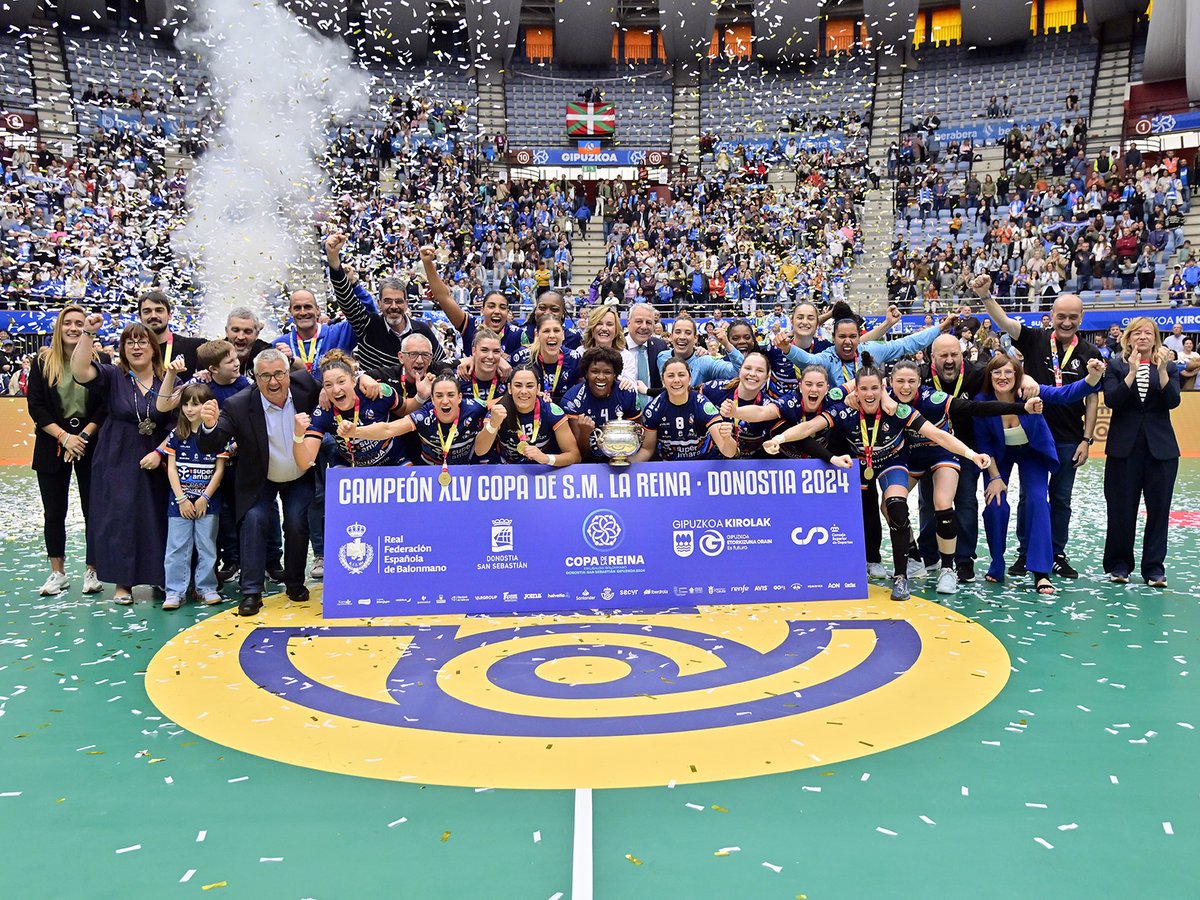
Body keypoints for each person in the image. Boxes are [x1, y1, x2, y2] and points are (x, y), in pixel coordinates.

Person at [764, 353, 991, 602]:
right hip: (861, 463)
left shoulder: (898, 410)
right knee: (862, 511)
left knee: (896, 507)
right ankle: (857, 563)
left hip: (892, 462)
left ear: (883, 388)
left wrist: (971, 454)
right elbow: (807, 428)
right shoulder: (843, 410)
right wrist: (779, 438)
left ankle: (901, 577)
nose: (869, 394)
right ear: (856, 391)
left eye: (874, 388)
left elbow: (938, 435)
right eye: (863, 389)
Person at [974, 275, 1100, 578]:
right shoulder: (1033, 339)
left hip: (1063, 436)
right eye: (1061, 316)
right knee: (1023, 500)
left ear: (1081, 317)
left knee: (1056, 499)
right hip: (1024, 432)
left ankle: (1053, 555)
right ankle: (1023, 554)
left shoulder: (1089, 354)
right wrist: (985, 295)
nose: (1066, 321)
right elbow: (1003, 321)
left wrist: (1087, 438)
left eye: (1073, 316)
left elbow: (1081, 396)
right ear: (1051, 316)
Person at [888, 358, 1039, 594]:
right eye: (900, 382)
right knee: (889, 506)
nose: (905, 387)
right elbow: (858, 383)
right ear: (891, 382)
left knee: (942, 502)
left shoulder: (931, 398)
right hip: (912, 458)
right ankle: (915, 556)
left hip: (942, 453)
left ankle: (948, 570)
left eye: (911, 381)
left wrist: (1021, 407)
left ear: (920, 381)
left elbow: (974, 408)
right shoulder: (884, 398)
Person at [197, 349, 321, 616]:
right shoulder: (238, 404)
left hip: (299, 473)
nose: (273, 382)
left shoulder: (308, 387)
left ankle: (295, 583)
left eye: (279, 374)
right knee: (254, 520)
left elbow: (336, 392)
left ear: (289, 373)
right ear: (253, 376)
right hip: (259, 477)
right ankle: (251, 591)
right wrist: (208, 425)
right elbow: (212, 442)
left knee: (297, 523)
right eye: (265, 376)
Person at [975, 354, 1106, 594]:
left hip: (1032, 452)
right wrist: (994, 478)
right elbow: (984, 444)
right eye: (996, 372)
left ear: (1017, 376)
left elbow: (1065, 394)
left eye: (1008, 372)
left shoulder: (1030, 392)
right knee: (995, 504)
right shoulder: (982, 402)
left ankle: (1041, 571)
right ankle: (997, 563)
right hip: (998, 457)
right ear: (989, 376)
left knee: (1037, 501)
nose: (1002, 377)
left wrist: (1092, 377)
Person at [70, 316, 174, 605]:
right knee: (121, 517)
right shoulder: (112, 376)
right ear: (122, 348)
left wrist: (160, 452)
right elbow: (78, 371)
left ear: (154, 348)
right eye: (130, 342)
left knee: (157, 517)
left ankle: (160, 577)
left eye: (143, 341)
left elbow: (177, 424)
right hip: (117, 456)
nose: (137, 346)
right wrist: (89, 332)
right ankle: (122, 582)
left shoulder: (167, 378)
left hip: (158, 456)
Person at [25, 305, 108, 597]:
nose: (73, 328)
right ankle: (57, 573)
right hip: (52, 445)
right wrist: (64, 438)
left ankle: (93, 570)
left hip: (90, 444)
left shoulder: (102, 361)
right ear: (59, 328)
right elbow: (36, 406)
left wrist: (82, 437)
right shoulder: (42, 362)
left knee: (93, 510)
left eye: (79, 323)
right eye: (68, 323)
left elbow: (104, 405)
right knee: (54, 511)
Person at [1101, 318, 1181, 587]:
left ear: (1156, 338)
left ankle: (1154, 568)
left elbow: (1173, 401)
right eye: (1137, 332)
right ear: (1128, 337)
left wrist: (1161, 371)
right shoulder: (1115, 366)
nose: (1143, 337)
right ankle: (1119, 564)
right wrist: (1132, 372)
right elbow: (1112, 400)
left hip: (1161, 450)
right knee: (1121, 509)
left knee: (1159, 511)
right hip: (1124, 450)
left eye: (1149, 333)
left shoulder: (1168, 366)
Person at [323, 234, 445, 372]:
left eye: (398, 301)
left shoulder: (422, 330)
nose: (393, 307)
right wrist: (334, 260)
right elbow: (346, 300)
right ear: (379, 303)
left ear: (406, 303)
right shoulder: (367, 325)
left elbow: (442, 365)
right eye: (387, 301)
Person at [776, 301, 954, 388]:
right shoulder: (828, 356)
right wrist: (787, 348)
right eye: (842, 336)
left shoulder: (870, 350)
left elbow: (907, 344)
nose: (847, 341)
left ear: (858, 338)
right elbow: (807, 360)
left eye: (852, 336)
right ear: (834, 339)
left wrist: (940, 327)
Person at [341, 373, 494, 471]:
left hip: (465, 470)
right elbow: (388, 429)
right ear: (432, 399)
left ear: (460, 397)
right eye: (439, 396)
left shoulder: (474, 407)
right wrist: (356, 432)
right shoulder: (423, 415)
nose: (445, 401)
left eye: (451, 395)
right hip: (428, 473)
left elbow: (496, 404)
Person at [163, 384, 228, 609]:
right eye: (186, 404)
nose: (190, 409)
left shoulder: (218, 435)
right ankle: (174, 591)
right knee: (176, 547)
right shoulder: (176, 435)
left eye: (196, 404)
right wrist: (181, 499)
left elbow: (219, 470)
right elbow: (171, 468)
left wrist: (204, 498)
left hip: (207, 503)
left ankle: (206, 587)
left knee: (207, 546)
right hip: (179, 503)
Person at [294, 350, 404, 469]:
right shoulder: (323, 410)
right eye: (328, 385)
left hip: (393, 459)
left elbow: (406, 410)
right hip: (350, 465)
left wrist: (420, 397)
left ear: (353, 380)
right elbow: (305, 464)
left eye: (341, 382)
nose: (336, 390)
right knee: (336, 480)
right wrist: (298, 435)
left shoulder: (376, 393)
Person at [634, 357, 738, 462]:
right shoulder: (653, 409)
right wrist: (623, 468)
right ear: (663, 380)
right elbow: (647, 450)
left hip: (703, 463)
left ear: (690, 379)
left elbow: (729, 452)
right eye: (670, 376)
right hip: (670, 468)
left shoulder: (703, 405)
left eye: (681, 375)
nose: (676, 380)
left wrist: (727, 438)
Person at [475, 366, 581, 466]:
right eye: (518, 385)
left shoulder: (551, 412)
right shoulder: (498, 411)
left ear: (538, 389)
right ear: (509, 388)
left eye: (530, 386)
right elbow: (479, 451)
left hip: (542, 470)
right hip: (506, 469)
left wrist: (546, 458)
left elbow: (575, 456)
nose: (524, 391)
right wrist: (493, 424)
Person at [562, 347, 640, 462]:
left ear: (615, 375)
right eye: (595, 371)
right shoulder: (572, 400)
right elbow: (580, 454)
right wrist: (585, 433)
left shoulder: (627, 393)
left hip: (622, 459)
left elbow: (638, 437)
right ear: (586, 374)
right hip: (586, 465)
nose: (601, 377)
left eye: (607, 372)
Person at [511, 315, 581, 405]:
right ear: (537, 335)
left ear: (563, 335)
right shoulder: (521, 357)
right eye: (546, 331)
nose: (552, 335)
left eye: (556, 331)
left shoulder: (574, 359)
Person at [656, 317, 745, 385]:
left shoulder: (704, 361)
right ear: (671, 336)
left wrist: (726, 344)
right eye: (678, 332)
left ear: (695, 338)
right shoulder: (662, 357)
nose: (682, 337)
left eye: (688, 333)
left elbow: (739, 371)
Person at [137, 289, 204, 380]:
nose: (153, 315)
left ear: (169, 315)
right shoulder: (134, 351)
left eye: (159, 310)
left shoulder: (194, 347)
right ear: (140, 317)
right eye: (147, 311)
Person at [621, 302, 668, 405]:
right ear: (628, 323)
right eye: (638, 321)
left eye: (648, 322)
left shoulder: (660, 346)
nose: (644, 327)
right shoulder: (617, 347)